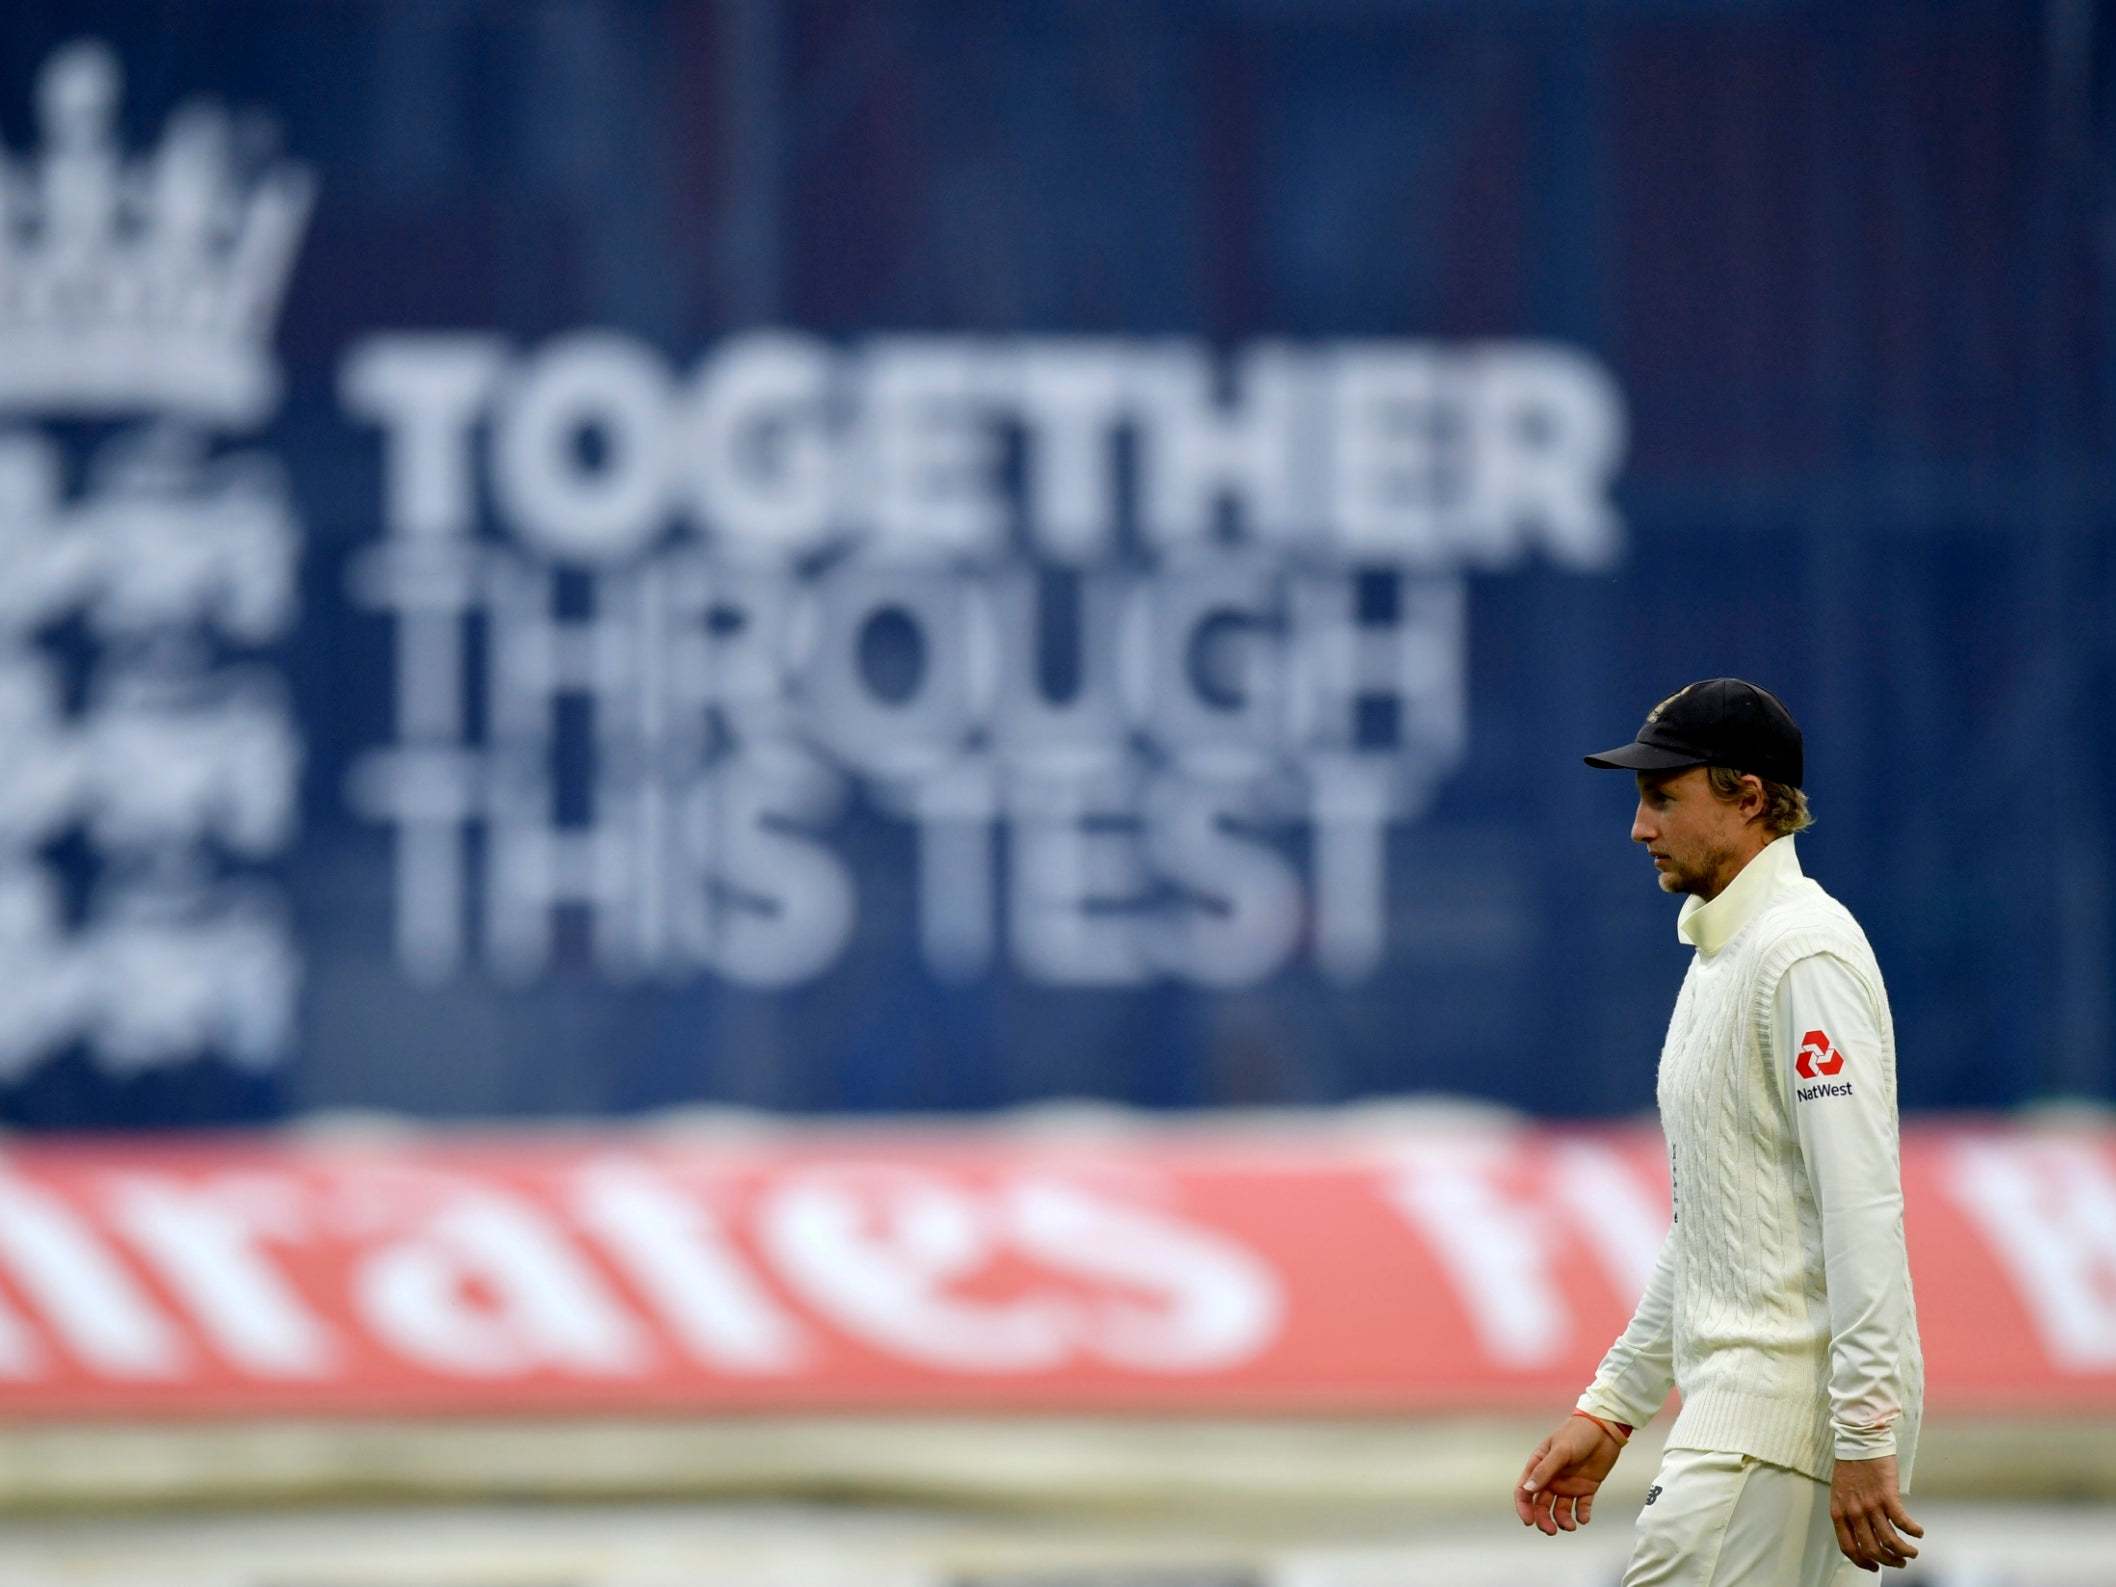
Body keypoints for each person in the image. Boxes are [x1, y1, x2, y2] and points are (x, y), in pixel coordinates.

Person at [1514, 678, 1924, 1583]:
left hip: (1777, 1425)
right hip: (1756, 1425)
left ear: (1749, 797)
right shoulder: (1721, 957)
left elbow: (1862, 1208)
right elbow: (1710, 1224)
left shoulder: (1800, 953)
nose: (1640, 827)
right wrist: (1615, 1405)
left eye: (1664, 797)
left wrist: (1863, 1430)